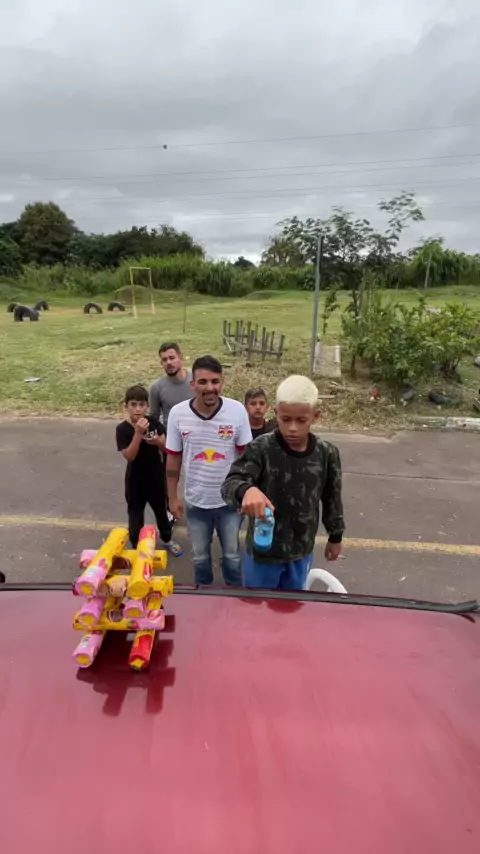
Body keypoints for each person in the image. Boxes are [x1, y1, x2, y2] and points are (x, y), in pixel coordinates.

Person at [221, 374, 345, 590]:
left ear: (315, 416)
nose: (293, 428)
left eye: (301, 420)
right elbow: (230, 484)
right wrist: (246, 490)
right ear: (276, 413)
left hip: (301, 552)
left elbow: (332, 497)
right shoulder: (260, 448)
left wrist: (336, 536)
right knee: (258, 605)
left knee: (293, 606)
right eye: (285, 419)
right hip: (263, 552)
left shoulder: (327, 454)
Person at [165, 355, 252, 586]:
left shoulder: (237, 411)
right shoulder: (177, 414)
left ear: (222, 382)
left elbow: (247, 460)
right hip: (196, 503)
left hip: (230, 503)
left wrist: (246, 493)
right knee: (200, 557)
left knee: (232, 555)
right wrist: (172, 498)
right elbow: (173, 459)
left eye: (215, 381)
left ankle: (235, 595)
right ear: (192, 384)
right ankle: (203, 593)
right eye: (203, 382)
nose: (210, 388)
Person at [116, 384, 183, 555]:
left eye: (142, 405)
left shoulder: (153, 422)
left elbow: (168, 448)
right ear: (126, 406)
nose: (138, 409)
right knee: (135, 515)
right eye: (133, 405)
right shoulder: (122, 429)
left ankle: (167, 539)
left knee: (161, 512)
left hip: (156, 477)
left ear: (147, 406)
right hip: (135, 481)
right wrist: (138, 433)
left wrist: (158, 442)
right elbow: (129, 456)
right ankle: (136, 547)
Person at [149, 342, 193, 429]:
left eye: (172, 358)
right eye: (164, 360)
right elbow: (153, 419)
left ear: (181, 357)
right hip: (170, 434)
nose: (168, 362)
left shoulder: (197, 379)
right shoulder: (156, 387)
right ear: (161, 363)